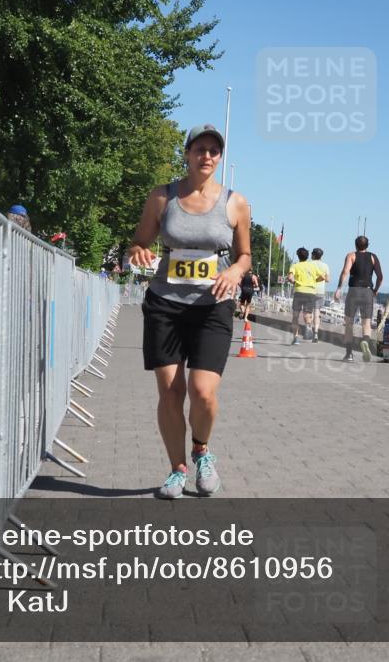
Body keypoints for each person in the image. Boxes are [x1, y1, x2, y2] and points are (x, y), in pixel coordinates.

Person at [127, 123, 251, 499]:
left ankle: (201, 449)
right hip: (165, 304)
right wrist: (139, 252)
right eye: (200, 149)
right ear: (187, 153)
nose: (207, 156)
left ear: (220, 157)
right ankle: (177, 469)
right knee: (170, 393)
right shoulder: (162, 197)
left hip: (212, 307)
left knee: (202, 392)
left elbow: (245, 255)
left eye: (214, 151)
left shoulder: (235, 202)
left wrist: (233, 270)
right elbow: (138, 243)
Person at [334, 235, 383, 362]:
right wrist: (375, 290)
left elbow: (345, 272)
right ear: (368, 245)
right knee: (366, 323)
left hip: (354, 291)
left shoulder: (351, 255)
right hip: (367, 291)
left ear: (355, 245)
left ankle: (349, 354)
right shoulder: (373, 257)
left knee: (349, 323)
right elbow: (380, 276)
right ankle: (365, 341)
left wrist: (339, 288)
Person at [287, 247, 324, 345]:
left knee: (295, 316)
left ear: (298, 256)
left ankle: (295, 338)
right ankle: (308, 325)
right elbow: (323, 277)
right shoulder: (313, 266)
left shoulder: (295, 266)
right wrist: (314, 281)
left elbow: (290, 277)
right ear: (307, 256)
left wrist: (294, 281)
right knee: (307, 314)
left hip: (299, 291)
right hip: (311, 292)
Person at [309, 247, 330, 343]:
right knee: (317, 313)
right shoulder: (325, 265)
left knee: (308, 311)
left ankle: (308, 328)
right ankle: (316, 333)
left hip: (309, 290)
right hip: (320, 291)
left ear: (313, 255)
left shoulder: (309, 264)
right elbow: (328, 280)